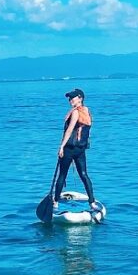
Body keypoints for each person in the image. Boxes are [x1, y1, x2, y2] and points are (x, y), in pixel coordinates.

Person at [39, 88, 103, 222]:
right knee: (84, 174)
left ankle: (55, 202)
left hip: (69, 148)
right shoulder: (87, 112)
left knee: (62, 175)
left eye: (73, 98)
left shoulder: (75, 113)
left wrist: (61, 147)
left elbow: (69, 131)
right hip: (81, 149)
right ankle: (92, 202)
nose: (70, 100)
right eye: (69, 98)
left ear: (80, 98)